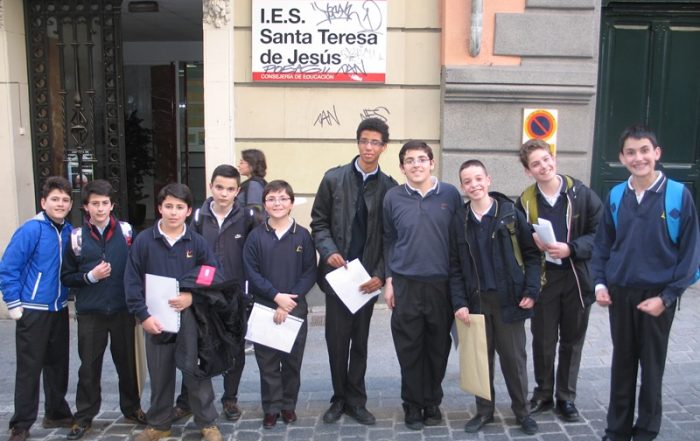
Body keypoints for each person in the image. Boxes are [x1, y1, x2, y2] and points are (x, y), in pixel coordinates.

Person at [591, 125, 700, 441]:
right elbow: (603, 245)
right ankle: (617, 429)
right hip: (621, 292)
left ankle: (647, 429)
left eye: (644, 150)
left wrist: (667, 297)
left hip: (658, 295)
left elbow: (691, 254)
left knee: (652, 367)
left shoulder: (678, 195)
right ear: (622, 157)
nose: (638, 158)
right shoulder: (616, 195)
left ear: (657, 153)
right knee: (622, 364)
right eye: (631, 152)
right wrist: (600, 284)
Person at [310, 117, 397, 425]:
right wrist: (329, 251)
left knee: (359, 342)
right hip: (338, 277)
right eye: (364, 140)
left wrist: (381, 274)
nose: (368, 147)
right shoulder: (333, 179)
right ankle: (338, 398)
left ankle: (356, 401)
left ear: (384, 147)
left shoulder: (390, 188)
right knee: (337, 342)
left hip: (367, 279)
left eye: (375, 142)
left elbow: (391, 237)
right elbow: (319, 221)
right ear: (357, 142)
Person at [124, 183, 223, 441]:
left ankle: (207, 423)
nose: (173, 212)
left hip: (190, 319)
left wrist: (193, 296)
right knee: (160, 374)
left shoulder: (196, 242)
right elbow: (132, 280)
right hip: (156, 319)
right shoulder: (144, 241)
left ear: (188, 211)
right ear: (159, 208)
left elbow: (211, 272)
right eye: (168, 206)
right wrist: (143, 316)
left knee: (196, 373)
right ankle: (159, 423)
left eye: (180, 207)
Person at [450, 160, 541, 435]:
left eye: (478, 179)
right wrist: (459, 302)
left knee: (514, 360)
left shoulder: (510, 214)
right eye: (468, 181)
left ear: (488, 179)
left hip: (509, 300)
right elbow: (455, 266)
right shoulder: (459, 220)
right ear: (462, 186)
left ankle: (522, 412)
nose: (474, 185)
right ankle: (484, 411)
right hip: (476, 301)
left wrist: (531, 290)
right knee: (480, 360)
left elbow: (532, 255)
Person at [515, 139, 602, 422]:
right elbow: (520, 241)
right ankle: (543, 394)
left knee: (572, 340)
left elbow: (600, 234)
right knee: (543, 340)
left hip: (577, 277)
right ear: (528, 171)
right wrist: (532, 240)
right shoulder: (525, 201)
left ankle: (566, 397)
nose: (543, 166)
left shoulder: (581, 194)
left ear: (554, 158)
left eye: (546, 159)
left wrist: (571, 248)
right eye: (535, 164)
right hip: (545, 279)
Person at [382, 140, 463, 430]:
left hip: (441, 284)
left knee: (438, 347)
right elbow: (389, 239)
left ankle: (432, 401)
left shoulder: (450, 194)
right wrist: (389, 280)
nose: (416, 164)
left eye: (421, 159)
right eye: (409, 160)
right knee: (409, 347)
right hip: (406, 283)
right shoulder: (393, 197)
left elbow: (458, 240)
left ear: (432, 163)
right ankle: (413, 404)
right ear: (402, 167)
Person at [61, 180, 146, 440]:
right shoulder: (76, 238)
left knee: (127, 365)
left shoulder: (127, 232)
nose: (100, 208)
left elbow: (138, 268)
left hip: (122, 309)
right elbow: (67, 277)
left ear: (112, 205)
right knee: (89, 367)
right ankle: (84, 416)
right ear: (86, 207)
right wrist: (90, 277)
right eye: (95, 203)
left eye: (105, 203)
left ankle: (132, 408)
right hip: (91, 312)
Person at [173, 165, 252, 422]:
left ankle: (230, 399)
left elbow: (253, 255)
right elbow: (189, 252)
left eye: (230, 189)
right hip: (203, 294)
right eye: (219, 187)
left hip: (234, 295)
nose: (224, 193)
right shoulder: (197, 217)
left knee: (234, 348)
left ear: (237, 191)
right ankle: (186, 400)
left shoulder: (248, 217)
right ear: (211, 187)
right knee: (194, 347)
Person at [0, 176, 75, 441]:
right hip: (33, 310)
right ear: (44, 202)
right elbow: (9, 267)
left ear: (70, 204)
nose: (60, 204)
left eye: (65, 200)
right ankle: (21, 423)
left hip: (58, 308)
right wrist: (14, 304)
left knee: (58, 364)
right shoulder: (31, 230)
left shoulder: (69, 231)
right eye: (55, 199)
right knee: (29, 369)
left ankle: (56, 411)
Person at [243, 180, 316, 429]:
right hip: (264, 307)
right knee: (268, 363)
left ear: (291, 203)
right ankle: (271, 408)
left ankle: (288, 406)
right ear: (264, 204)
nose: (277, 203)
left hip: (295, 308)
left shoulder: (302, 235)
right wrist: (276, 297)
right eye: (272, 199)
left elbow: (310, 271)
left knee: (292, 362)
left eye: (283, 198)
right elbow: (251, 272)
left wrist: (288, 301)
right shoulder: (256, 236)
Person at [238, 149, 268, 220]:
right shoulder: (254, 183)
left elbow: (255, 214)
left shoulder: (254, 185)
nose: (238, 165)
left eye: (242, 162)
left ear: (252, 164)